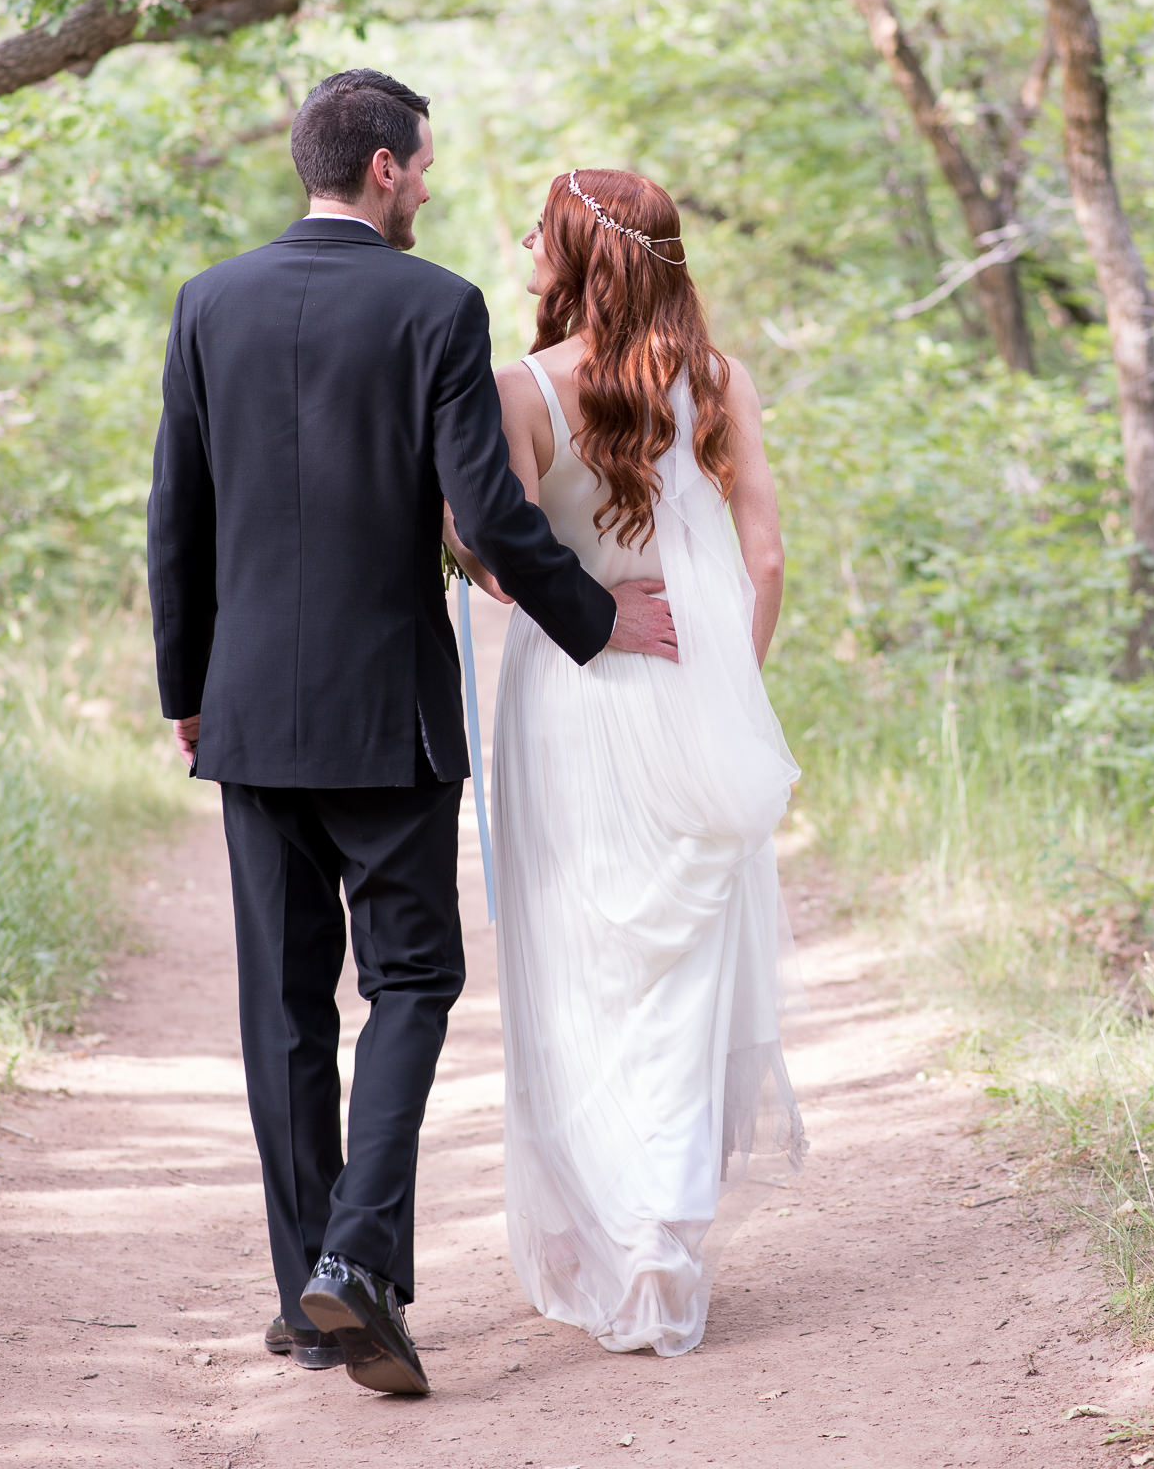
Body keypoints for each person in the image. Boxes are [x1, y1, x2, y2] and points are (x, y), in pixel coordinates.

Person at [146, 73, 677, 1399]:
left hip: (251, 712)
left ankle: (305, 1291)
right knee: (411, 985)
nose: (431, 188)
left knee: (281, 1003)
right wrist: (593, 618)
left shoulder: (209, 303)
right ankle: (360, 1266)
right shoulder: (436, 306)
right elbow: (490, 515)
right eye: (425, 167)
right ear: (383, 167)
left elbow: (177, 516)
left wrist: (186, 690)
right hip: (388, 714)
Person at [447, 167, 805, 1358]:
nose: (520, 246)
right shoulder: (719, 379)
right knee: (684, 966)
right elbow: (763, 561)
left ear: (579, 251)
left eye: (536, 230)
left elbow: (498, 558)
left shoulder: (520, 387)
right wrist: (726, 689)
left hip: (574, 689)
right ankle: (662, 1234)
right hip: (692, 684)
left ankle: (609, 1236)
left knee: (577, 960)